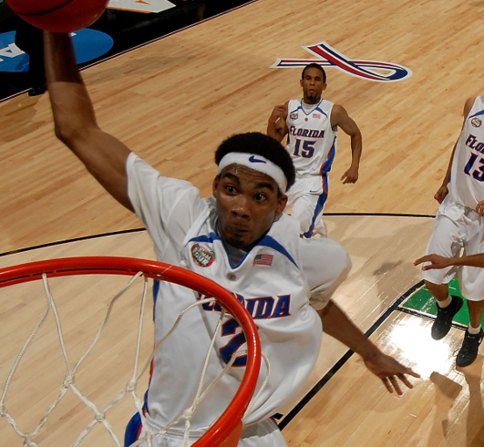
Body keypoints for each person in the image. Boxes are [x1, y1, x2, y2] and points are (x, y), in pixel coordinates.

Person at [43, 31, 418, 446]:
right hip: (172, 434)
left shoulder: (316, 258)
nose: (241, 206)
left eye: (259, 196)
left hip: (251, 432)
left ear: (280, 205)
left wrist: (369, 353)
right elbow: (76, 128)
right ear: (215, 186)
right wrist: (54, 26)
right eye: (230, 189)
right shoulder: (181, 216)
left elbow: (318, 305)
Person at [414, 95, 484, 368]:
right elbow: (461, 142)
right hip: (455, 204)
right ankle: (446, 306)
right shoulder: (473, 105)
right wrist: (446, 179)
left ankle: (474, 332)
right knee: (431, 273)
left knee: (475, 289)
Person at [267, 63, 362, 238]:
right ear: (301, 82)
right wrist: (271, 122)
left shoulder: (334, 111)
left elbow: (355, 133)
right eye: (308, 78)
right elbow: (273, 142)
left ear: (324, 86)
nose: (312, 83)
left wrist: (354, 166)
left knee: (295, 232)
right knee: (265, 219)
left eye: (317, 79)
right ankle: (319, 245)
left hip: (312, 181)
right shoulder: (290, 107)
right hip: (287, 177)